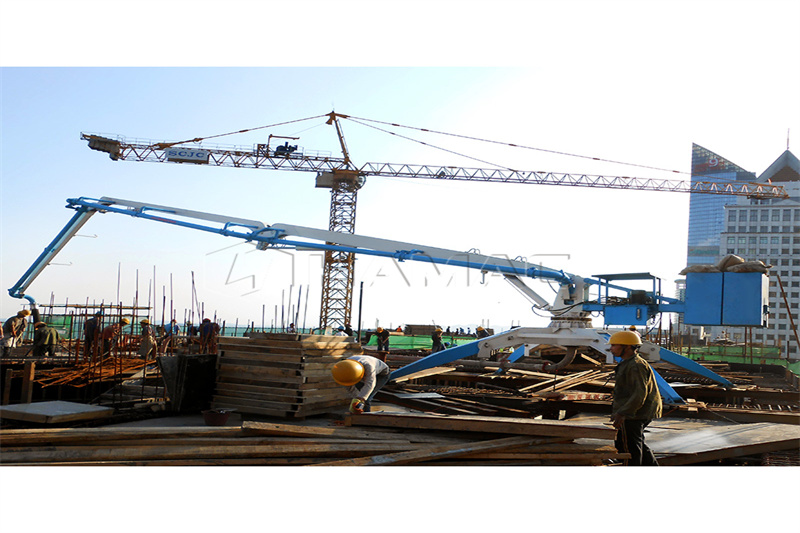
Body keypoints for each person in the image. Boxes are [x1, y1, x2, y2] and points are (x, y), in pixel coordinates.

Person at [608, 330, 662, 466]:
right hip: (635, 411)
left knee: (628, 448)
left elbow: (639, 394)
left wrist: (623, 413)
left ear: (627, 347)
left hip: (635, 413)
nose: (611, 349)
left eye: (614, 345)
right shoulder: (628, 363)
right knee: (635, 443)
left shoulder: (635, 365)